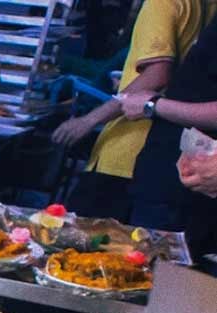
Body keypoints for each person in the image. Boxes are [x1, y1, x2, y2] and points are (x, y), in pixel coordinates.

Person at [52, 0, 215, 216]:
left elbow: (157, 75)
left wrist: (89, 120)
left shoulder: (162, 3)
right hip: (177, 149)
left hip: (129, 145)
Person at [123, 18, 217, 252]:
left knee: (159, 281)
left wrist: (153, 105)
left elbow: (158, 74)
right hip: (180, 180)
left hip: (185, 196)